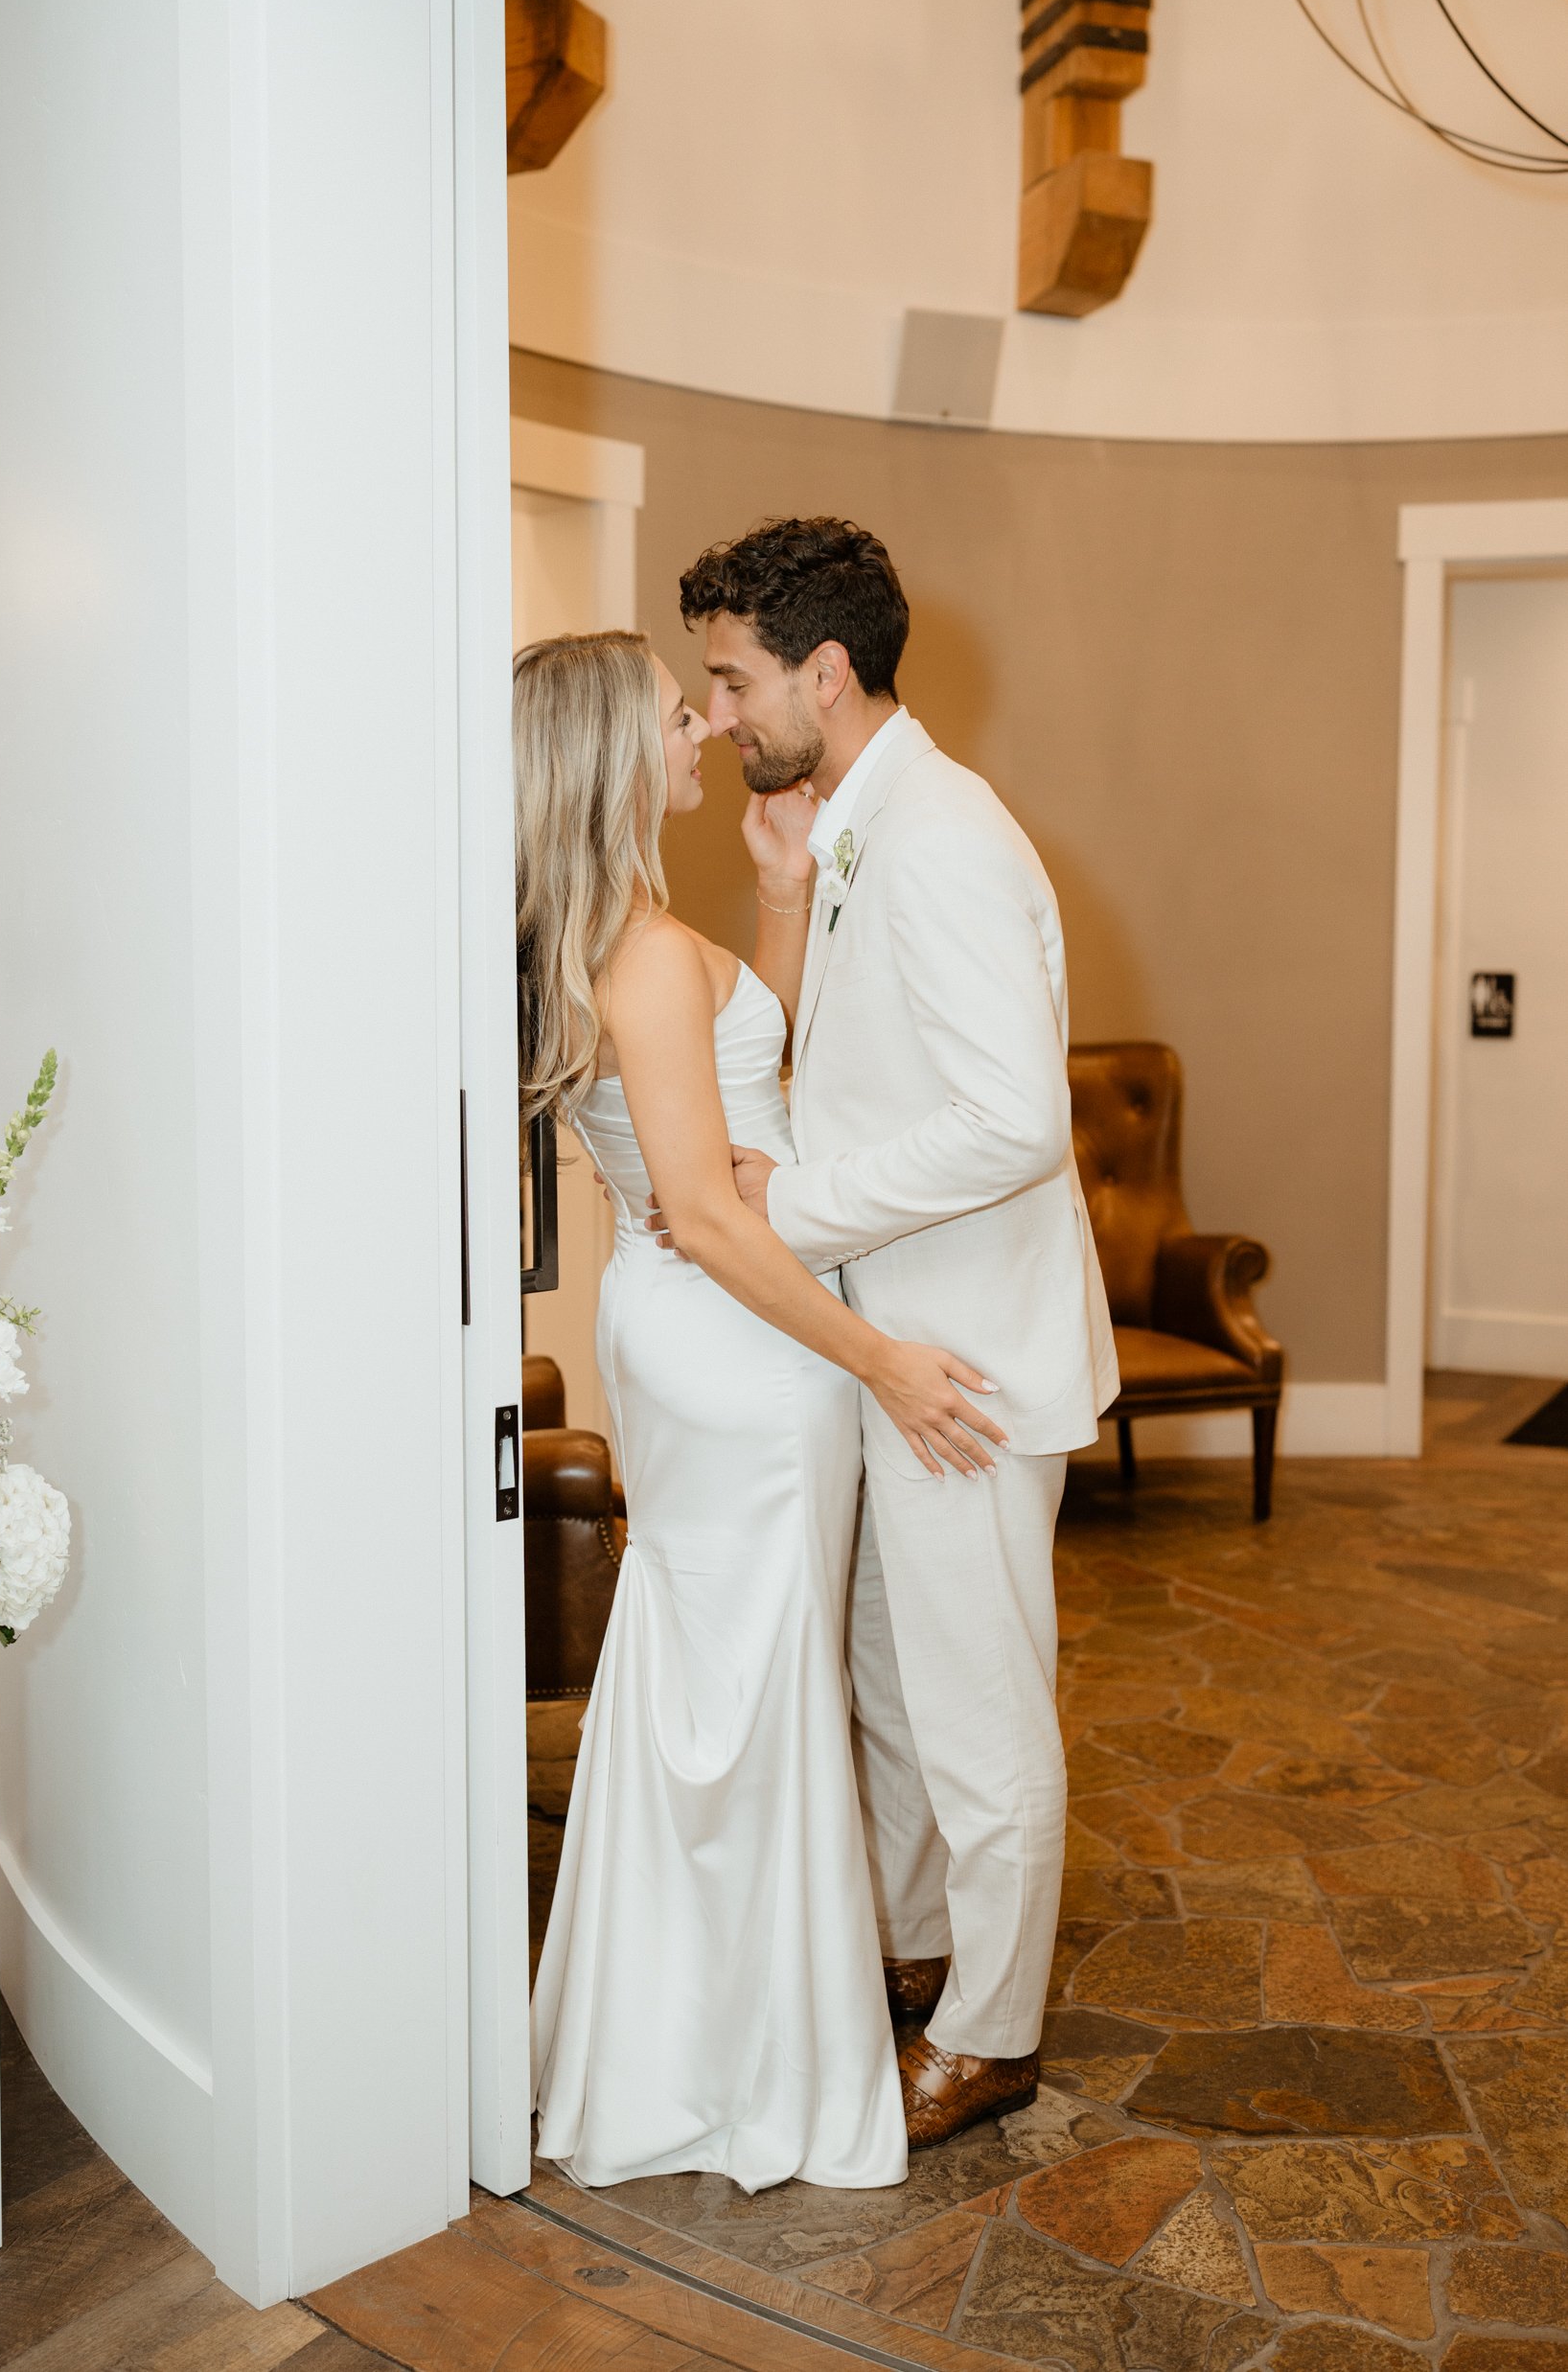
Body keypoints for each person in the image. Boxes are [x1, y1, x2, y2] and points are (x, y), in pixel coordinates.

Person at [520, 630, 1006, 2192]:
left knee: (727, 1676)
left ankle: (697, 2026)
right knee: (748, 1684)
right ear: (613, 755)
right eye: (679, 713)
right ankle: (741, 2060)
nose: (706, 730)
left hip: (704, 1337)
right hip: (737, 1341)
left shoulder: (632, 931)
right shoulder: (642, 950)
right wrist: (887, 1364)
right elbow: (715, 1212)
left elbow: (751, 1087)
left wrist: (782, 893)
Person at [657, 518, 1119, 2150]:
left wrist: (797, 1205)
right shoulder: (861, 819)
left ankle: (990, 2035)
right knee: (899, 1689)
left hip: (965, 1364)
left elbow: (1011, 1121)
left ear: (824, 673)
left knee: (983, 1713)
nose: (715, 717)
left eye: (730, 681)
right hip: (891, 1344)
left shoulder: (942, 839)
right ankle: (924, 1950)